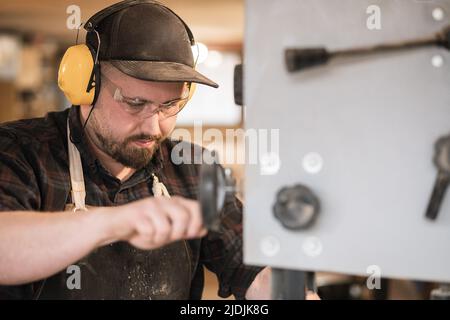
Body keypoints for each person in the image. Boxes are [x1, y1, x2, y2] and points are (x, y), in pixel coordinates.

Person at [0, 0, 318, 300]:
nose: (154, 128)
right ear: (86, 84)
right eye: (135, 103)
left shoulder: (194, 169)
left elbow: (255, 268)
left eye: (169, 106)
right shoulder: (20, 153)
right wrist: (113, 222)